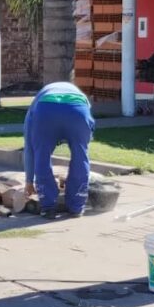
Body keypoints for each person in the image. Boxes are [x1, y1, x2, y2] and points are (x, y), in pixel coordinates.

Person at [23, 82, 96, 220]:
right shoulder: (78, 93)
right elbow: (89, 130)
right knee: (81, 154)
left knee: (41, 154)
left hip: (46, 109)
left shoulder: (32, 110)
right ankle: (76, 207)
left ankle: (48, 207)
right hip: (78, 108)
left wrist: (29, 181)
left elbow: (29, 148)